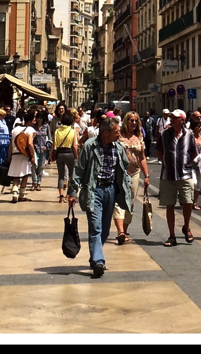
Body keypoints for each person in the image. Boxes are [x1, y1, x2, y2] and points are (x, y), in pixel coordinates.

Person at [69, 116, 131, 278]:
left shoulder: (117, 147)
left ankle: (95, 256)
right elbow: (79, 170)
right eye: (116, 132)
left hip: (110, 190)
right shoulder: (90, 146)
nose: (119, 134)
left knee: (104, 229)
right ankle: (99, 261)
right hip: (94, 190)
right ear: (105, 133)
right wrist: (73, 192)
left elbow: (125, 167)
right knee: (95, 227)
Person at [159, 109, 199, 246]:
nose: (171, 120)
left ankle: (186, 226)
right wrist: (166, 162)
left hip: (185, 174)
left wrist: (186, 163)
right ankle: (172, 236)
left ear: (182, 120)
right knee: (169, 205)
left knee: (188, 202)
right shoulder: (165, 134)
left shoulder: (189, 135)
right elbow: (159, 151)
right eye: (171, 118)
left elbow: (194, 152)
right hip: (168, 175)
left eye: (175, 118)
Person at [113, 111, 148, 244]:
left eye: (135, 120)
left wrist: (147, 175)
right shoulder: (119, 136)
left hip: (134, 172)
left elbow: (142, 158)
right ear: (126, 121)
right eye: (131, 120)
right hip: (120, 172)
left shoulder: (139, 137)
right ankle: (120, 231)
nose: (133, 123)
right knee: (119, 201)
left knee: (130, 202)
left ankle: (125, 229)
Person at [53, 111, 80, 203]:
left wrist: (51, 155)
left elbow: (53, 144)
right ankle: (69, 193)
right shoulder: (72, 131)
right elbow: (74, 146)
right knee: (71, 175)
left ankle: (61, 195)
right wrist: (76, 156)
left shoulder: (57, 131)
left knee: (61, 175)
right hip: (69, 153)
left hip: (59, 153)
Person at [8, 114, 36, 203]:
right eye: (34, 119)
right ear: (30, 121)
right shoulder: (30, 130)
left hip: (15, 154)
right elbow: (30, 143)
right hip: (24, 155)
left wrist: (9, 157)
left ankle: (14, 193)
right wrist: (33, 156)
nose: (35, 121)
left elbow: (11, 145)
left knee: (16, 175)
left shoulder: (14, 130)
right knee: (25, 175)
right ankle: (22, 195)